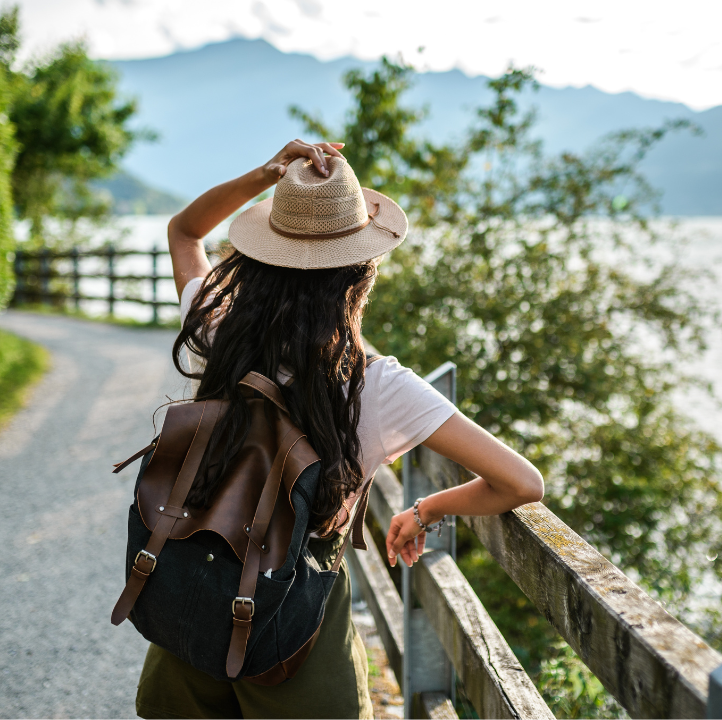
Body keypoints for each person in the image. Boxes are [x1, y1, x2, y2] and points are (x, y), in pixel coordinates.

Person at [135, 139, 544, 719]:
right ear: (361, 273)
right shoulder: (379, 386)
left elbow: (184, 231)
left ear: (257, 257)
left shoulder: (218, 330)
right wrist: (423, 510)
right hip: (295, 621)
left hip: (194, 595)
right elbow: (520, 482)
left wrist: (267, 174)